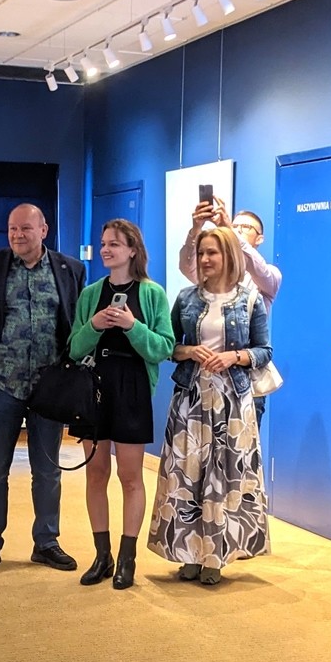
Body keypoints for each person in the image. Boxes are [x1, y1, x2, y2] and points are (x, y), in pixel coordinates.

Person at [0, 203, 87, 576]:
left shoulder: (71, 269)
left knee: (48, 471)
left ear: (44, 230)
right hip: (2, 384)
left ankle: (46, 543)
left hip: (50, 389)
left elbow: (77, 321)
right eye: (12, 228)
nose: (17, 235)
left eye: (25, 228)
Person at [149, 226, 271, 584]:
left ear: (228, 255)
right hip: (191, 397)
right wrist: (189, 350)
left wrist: (235, 356)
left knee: (225, 477)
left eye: (212, 252)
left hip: (232, 400)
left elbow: (264, 351)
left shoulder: (250, 300)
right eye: (201, 252)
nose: (204, 259)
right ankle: (188, 552)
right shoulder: (186, 298)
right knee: (187, 473)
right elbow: (168, 346)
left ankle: (215, 556)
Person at [67, 219, 175, 590]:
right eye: (103, 243)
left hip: (132, 388)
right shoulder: (90, 294)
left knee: (130, 476)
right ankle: (102, 556)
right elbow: (74, 348)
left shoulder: (152, 293)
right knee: (95, 473)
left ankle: (127, 559)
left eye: (114, 243)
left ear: (132, 250)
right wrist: (95, 325)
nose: (106, 249)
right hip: (93, 388)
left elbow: (163, 348)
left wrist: (132, 326)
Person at [178, 197, 283, 419]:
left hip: (243, 380)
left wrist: (229, 231)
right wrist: (195, 229)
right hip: (199, 379)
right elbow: (188, 266)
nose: (239, 229)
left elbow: (256, 267)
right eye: (235, 225)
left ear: (260, 238)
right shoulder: (205, 281)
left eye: (246, 227)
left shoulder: (268, 275)